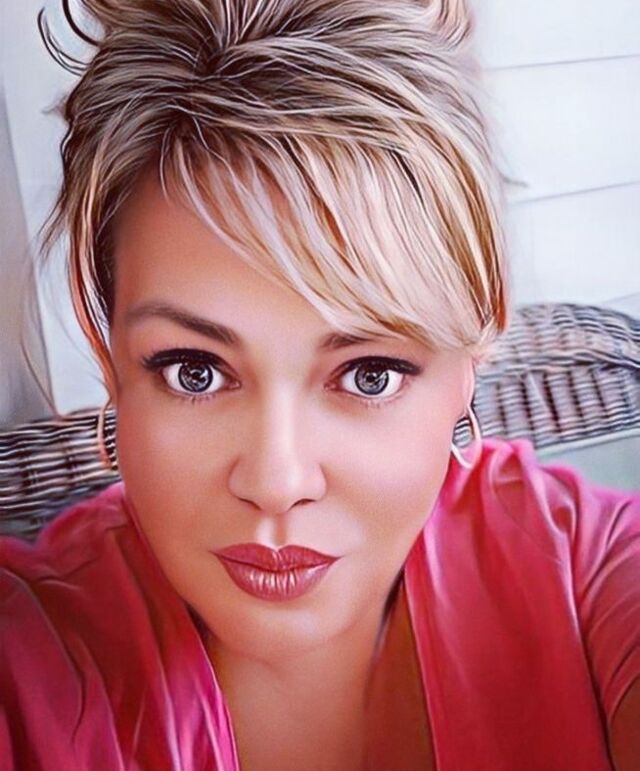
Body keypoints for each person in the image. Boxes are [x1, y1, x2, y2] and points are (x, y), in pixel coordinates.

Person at [1, 1, 639, 769]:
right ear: (110, 355)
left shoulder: (591, 571)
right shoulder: (29, 663)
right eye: (194, 370)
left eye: (369, 374)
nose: (277, 481)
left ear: (475, 350)